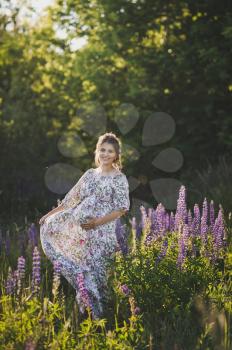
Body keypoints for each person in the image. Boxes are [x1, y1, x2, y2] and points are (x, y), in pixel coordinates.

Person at [39, 132, 130, 318]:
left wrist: (96, 222)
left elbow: (122, 208)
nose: (105, 154)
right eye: (102, 150)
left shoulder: (119, 178)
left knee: (99, 276)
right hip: (81, 234)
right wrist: (48, 216)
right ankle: (87, 315)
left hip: (102, 234)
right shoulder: (89, 175)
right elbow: (70, 200)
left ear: (116, 155)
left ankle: (104, 318)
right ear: (97, 151)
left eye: (110, 151)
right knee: (84, 272)